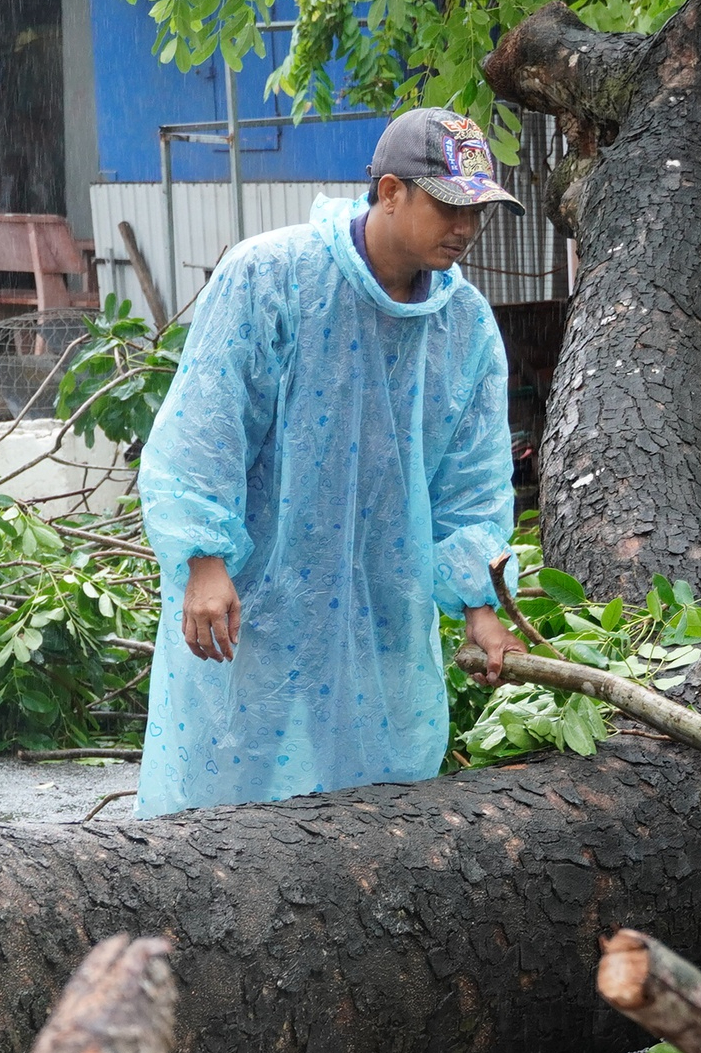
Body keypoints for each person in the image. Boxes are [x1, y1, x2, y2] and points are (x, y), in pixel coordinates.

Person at [135, 108, 527, 817]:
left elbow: (472, 483)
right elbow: (206, 425)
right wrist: (204, 559)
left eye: (479, 211)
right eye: (450, 205)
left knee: (377, 801)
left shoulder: (464, 325)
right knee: (230, 785)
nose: (467, 227)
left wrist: (482, 603)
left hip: (384, 601)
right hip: (256, 589)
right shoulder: (271, 277)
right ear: (390, 191)